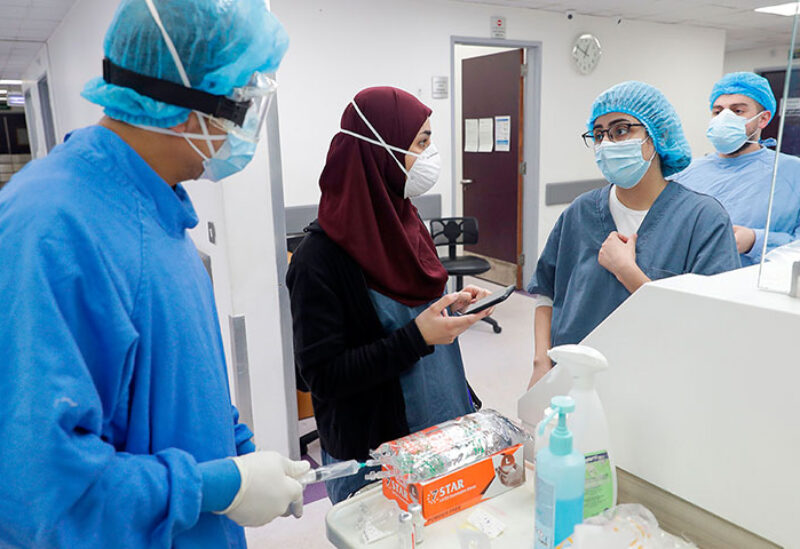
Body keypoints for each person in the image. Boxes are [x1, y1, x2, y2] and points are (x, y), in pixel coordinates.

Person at [0, 1, 307, 547]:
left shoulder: (161, 209)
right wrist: (213, 486)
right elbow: (40, 493)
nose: (246, 126)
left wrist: (238, 452)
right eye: (242, 104)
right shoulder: (50, 229)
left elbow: (178, 371)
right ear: (189, 110)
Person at [286, 87, 493, 504]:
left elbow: (411, 312)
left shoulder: (409, 225)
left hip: (443, 428)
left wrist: (447, 311)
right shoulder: (319, 259)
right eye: (421, 142)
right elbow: (322, 376)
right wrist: (416, 338)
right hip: (375, 456)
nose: (431, 155)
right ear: (379, 151)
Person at [527, 81, 741, 388]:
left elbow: (709, 323)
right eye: (599, 135)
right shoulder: (580, 211)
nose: (607, 144)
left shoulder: (703, 219)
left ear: (657, 136)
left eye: (620, 130)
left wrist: (627, 272)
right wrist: (541, 362)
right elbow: (546, 291)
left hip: (658, 381)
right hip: (571, 377)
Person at [674, 72, 800, 266]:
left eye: (738, 111)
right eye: (718, 112)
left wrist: (755, 241)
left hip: (754, 290)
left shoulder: (792, 173)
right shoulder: (685, 173)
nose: (725, 118)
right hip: (688, 285)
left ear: (763, 119)